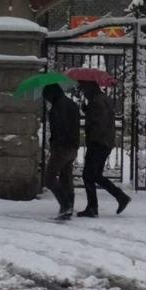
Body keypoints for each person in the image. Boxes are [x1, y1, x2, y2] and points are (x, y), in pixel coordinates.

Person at [77, 81, 131, 218]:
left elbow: (97, 123)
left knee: (88, 175)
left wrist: (88, 113)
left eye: (83, 89)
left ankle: (93, 207)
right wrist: (87, 110)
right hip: (105, 142)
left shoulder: (96, 102)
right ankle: (120, 197)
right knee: (95, 175)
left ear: (89, 88)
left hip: (98, 143)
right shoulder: (103, 99)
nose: (83, 93)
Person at [42, 83, 80, 220]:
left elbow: (60, 127)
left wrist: (55, 144)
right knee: (66, 177)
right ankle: (68, 207)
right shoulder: (71, 104)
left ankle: (65, 205)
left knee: (49, 178)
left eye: (47, 97)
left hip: (61, 147)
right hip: (73, 146)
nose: (47, 100)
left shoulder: (58, 107)